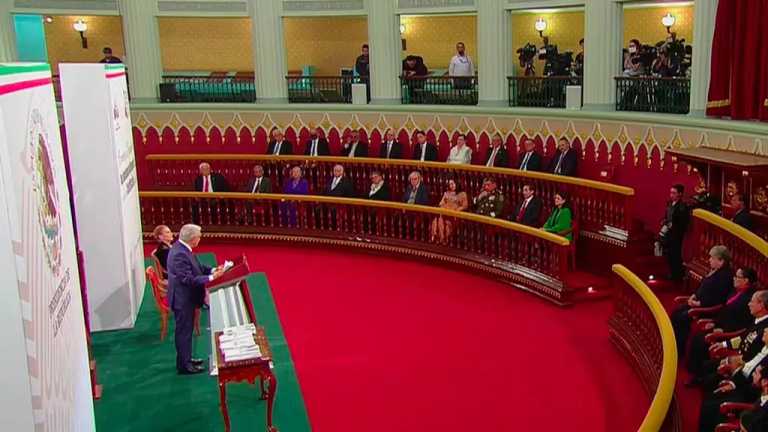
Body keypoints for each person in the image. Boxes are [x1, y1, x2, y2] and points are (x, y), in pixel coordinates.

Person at [167, 224, 224, 374]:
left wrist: (212, 270)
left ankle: (187, 359)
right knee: (184, 332)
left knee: (187, 331)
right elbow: (187, 279)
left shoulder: (183, 248)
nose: (200, 238)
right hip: (182, 299)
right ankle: (184, 366)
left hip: (187, 298)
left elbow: (196, 267)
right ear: (192, 239)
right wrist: (211, 278)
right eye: (199, 236)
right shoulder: (180, 253)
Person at [687, 267, 759, 379]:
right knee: (698, 338)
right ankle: (693, 372)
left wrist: (723, 330)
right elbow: (725, 310)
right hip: (722, 326)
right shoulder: (734, 291)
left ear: (746, 280)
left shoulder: (749, 299)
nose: (734, 278)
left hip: (731, 331)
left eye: (737, 277)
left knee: (701, 341)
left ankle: (698, 376)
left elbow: (744, 323)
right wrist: (715, 323)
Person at [670, 245, 734, 357]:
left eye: (712, 258)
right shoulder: (714, 271)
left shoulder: (725, 276)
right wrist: (694, 296)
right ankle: (673, 346)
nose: (709, 260)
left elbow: (718, 299)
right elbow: (702, 287)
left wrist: (698, 304)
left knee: (681, 317)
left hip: (707, 309)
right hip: (697, 303)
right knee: (676, 313)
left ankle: (679, 351)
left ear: (721, 261)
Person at [661, 184, 689, 282]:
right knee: (669, 254)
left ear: (680, 194)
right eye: (671, 192)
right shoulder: (669, 203)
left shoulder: (682, 206)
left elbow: (683, 223)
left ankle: (677, 275)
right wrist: (664, 221)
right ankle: (672, 273)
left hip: (676, 235)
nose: (671, 195)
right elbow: (667, 215)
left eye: (674, 193)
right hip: (668, 233)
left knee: (675, 254)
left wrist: (673, 226)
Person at [430, 177, 468, 244]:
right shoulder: (447, 193)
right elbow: (440, 204)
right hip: (444, 212)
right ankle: (438, 237)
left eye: (453, 183)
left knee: (442, 221)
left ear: (457, 183)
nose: (452, 185)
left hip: (454, 214)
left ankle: (442, 238)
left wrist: (457, 210)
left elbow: (465, 206)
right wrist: (444, 198)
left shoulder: (462, 194)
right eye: (450, 184)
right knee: (437, 220)